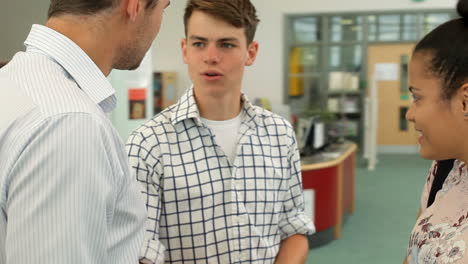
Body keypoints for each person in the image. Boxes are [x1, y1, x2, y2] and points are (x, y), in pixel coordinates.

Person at [126, 0, 315, 263]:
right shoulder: (147, 145)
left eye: (226, 44)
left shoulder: (280, 134)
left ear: (251, 52)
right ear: (185, 49)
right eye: (199, 43)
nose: (211, 56)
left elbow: (294, 229)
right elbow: (141, 252)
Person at [0, 0, 170, 263]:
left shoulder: (14, 83)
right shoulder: (70, 123)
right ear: (135, 5)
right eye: (163, 8)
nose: (160, 24)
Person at [403, 0, 468, 263]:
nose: (410, 114)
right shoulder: (446, 169)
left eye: (417, 98)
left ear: (465, 101)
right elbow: (414, 253)